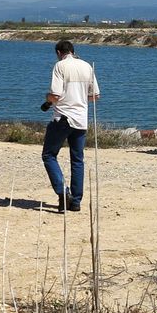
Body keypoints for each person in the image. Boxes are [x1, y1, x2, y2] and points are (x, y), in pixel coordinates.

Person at [41, 40, 100, 213]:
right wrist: (79, 99)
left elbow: (55, 95)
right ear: (73, 51)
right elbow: (95, 96)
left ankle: (62, 191)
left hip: (63, 117)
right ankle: (76, 201)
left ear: (59, 52)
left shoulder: (60, 66)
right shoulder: (87, 66)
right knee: (77, 159)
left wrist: (47, 100)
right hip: (81, 119)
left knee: (49, 155)